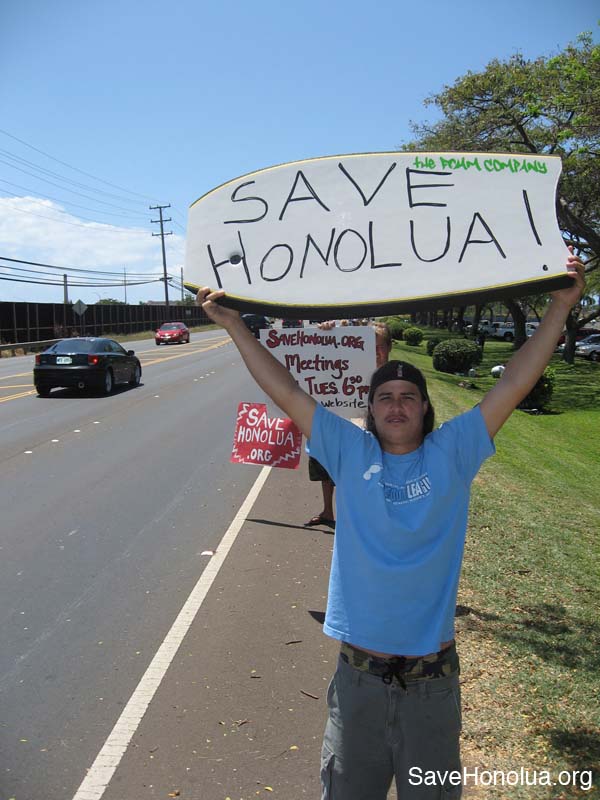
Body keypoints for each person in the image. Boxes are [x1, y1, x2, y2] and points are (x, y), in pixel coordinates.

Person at [196, 248, 584, 800]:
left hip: (433, 683)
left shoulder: (454, 453)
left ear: (426, 410)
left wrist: (561, 307)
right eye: (384, 398)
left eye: (408, 397)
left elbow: (514, 383)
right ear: (370, 408)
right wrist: (235, 326)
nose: (396, 406)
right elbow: (284, 389)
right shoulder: (348, 452)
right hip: (358, 680)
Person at [305, 322, 392, 529]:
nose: (377, 352)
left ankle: (362, 519)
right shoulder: (351, 367)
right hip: (343, 430)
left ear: (390, 347)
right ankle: (328, 512)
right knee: (325, 470)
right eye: (371, 347)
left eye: (381, 347)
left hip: (376, 439)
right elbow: (321, 366)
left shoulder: (394, 376)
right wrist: (329, 335)